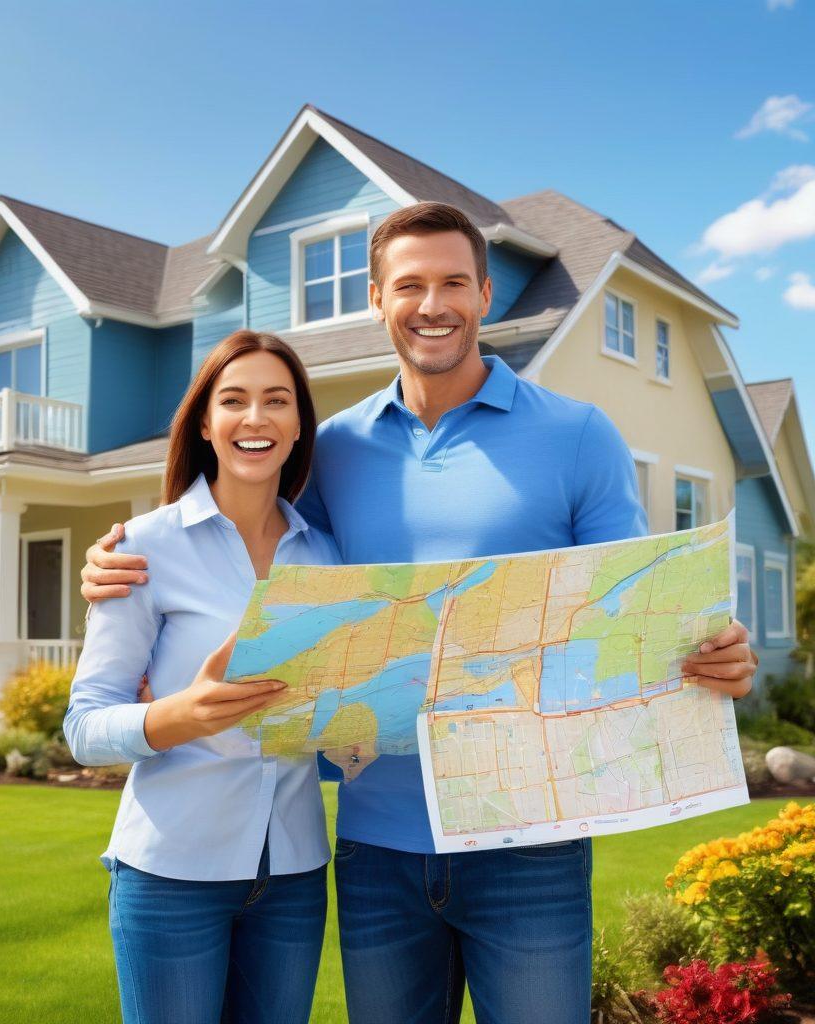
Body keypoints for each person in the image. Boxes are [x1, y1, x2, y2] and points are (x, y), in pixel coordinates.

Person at [79, 203, 757, 1024]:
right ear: (376, 298)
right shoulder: (333, 451)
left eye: (453, 283)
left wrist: (717, 652)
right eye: (409, 285)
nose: (432, 305)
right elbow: (260, 550)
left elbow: (641, 610)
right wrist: (122, 559)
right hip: (377, 853)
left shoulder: (579, 435)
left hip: (529, 847)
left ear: (485, 294)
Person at [64, 330, 340, 1024]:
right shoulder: (143, 547)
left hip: (294, 876)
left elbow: (337, 718)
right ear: (206, 425)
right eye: (234, 400)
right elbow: (84, 726)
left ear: (298, 425)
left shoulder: (328, 558)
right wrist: (180, 715)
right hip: (171, 876)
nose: (256, 418)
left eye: (277, 400)